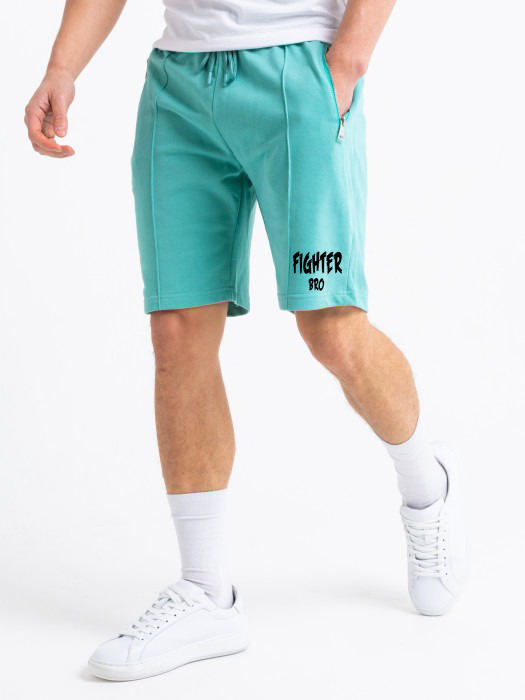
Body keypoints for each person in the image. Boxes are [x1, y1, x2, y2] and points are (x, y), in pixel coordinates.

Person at [25, 0, 467, 682]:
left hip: (300, 77)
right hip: (179, 87)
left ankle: (425, 482)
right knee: (177, 332)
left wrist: (346, 64)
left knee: (331, 328)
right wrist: (62, 67)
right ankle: (207, 593)